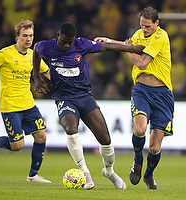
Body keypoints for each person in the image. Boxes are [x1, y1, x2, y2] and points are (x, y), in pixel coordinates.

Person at [32, 22, 144, 190]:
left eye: (70, 42)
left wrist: (132, 49)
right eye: (64, 41)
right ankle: (85, 173)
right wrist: (36, 75)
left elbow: (106, 47)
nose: (67, 45)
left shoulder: (81, 44)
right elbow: (35, 49)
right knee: (71, 128)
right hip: (64, 98)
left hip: (85, 97)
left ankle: (109, 171)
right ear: (58, 35)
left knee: (105, 139)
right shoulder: (46, 47)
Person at [94, 6, 174, 190]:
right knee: (140, 129)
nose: (144, 30)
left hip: (163, 94)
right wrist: (108, 40)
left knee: (154, 148)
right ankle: (137, 161)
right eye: (142, 26)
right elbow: (127, 44)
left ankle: (148, 175)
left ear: (157, 23)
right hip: (141, 91)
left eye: (147, 26)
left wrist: (127, 50)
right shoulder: (139, 34)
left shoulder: (161, 36)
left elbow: (142, 62)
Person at [0, 20, 51, 183]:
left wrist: (65, 81)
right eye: (25, 36)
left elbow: (48, 72)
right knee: (17, 146)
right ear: (17, 36)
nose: (28, 39)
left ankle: (33, 175)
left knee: (41, 137)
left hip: (28, 104)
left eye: (31, 36)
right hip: (10, 106)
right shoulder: (5, 54)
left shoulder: (33, 55)